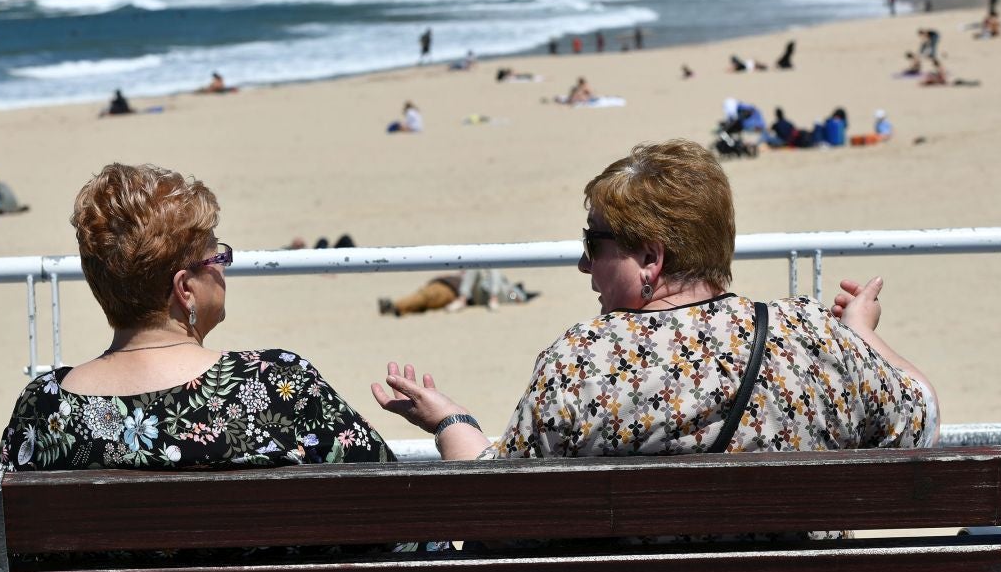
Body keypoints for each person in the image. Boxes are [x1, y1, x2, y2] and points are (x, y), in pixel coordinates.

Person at [0, 164, 404, 572]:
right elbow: (403, 528)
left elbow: (12, 568)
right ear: (184, 288)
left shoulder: (43, 408)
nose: (224, 270)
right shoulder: (278, 384)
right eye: (216, 259)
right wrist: (455, 430)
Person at [371, 137, 937, 490]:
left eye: (594, 244)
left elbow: (493, 501)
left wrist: (450, 422)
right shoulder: (814, 336)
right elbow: (921, 421)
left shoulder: (582, 363)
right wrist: (860, 335)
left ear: (649, 257)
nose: (584, 265)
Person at [378, 269, 538, 317]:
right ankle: (397, 308)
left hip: (452, 290)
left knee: (425, 298)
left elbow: (493, 272)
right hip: (447, 287)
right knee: (423, 300)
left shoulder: (500, 282)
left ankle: (396, 306)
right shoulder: (467, 275)